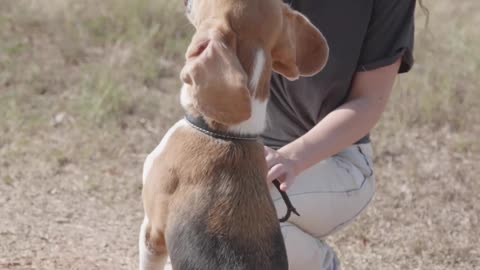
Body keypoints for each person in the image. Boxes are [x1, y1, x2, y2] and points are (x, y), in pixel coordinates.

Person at [263, 0, 418, 269]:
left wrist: (290, 158)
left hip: (337, 160)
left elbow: (368, 102)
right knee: (183, 206)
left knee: (239, 209)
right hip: (250, 149)